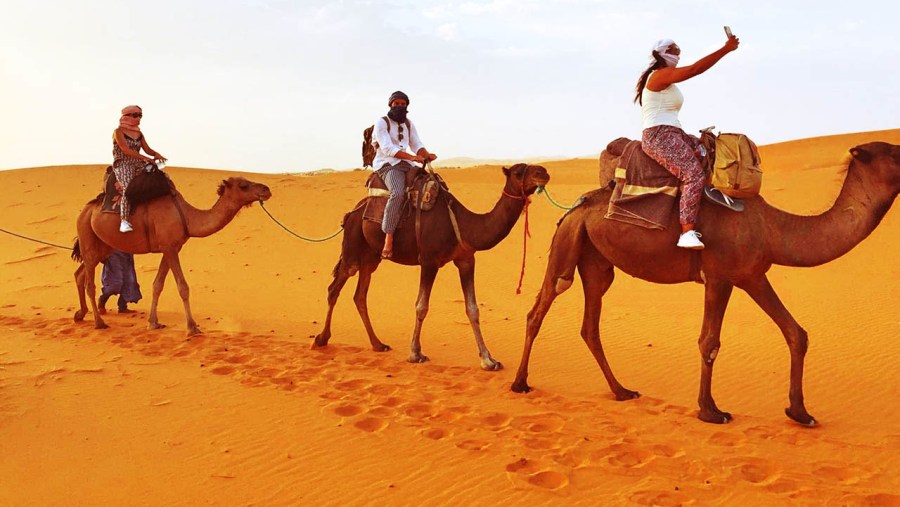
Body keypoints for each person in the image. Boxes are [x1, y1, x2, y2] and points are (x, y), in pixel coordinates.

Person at [634, 32, 740, 249]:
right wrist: (725, 49)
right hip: (658, 136)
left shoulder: (666, 79)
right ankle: (687, 231)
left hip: (674, 132)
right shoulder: (659, 76)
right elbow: (694, 70)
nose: (678, 54)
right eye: (675, 50)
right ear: (663, 53)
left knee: (708, 152)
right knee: (692, 174)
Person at [371, 91, 437, 259]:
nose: (400, 106)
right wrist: (411, 157)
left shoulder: (408, 124)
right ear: (390, 105)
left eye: (403, 104)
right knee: (398, 193)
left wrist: (426, 154)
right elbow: (387, 149)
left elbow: (416, 144)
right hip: (387, 165)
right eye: (396, 104)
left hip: (406, 164)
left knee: (433, 184)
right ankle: (389, 236)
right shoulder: (381, 123)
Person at [113, 105, 167, 232]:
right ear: (126, 116)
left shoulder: (139, 133)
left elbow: (147, 149)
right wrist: (145, 158)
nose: (139, 118)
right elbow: (125, 150)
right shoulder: (118, 132)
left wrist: (155, 154)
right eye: (136, 115)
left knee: (160, 178)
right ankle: (124, 221)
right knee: (129, 189)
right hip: (123, 164)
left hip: (139, 163)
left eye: (140, 115)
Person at [98, 249, 142, 314]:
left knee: (130, 282)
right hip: (113, 253)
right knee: (114, 284)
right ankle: (102, 300)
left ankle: (122, 306)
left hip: (128, 253)